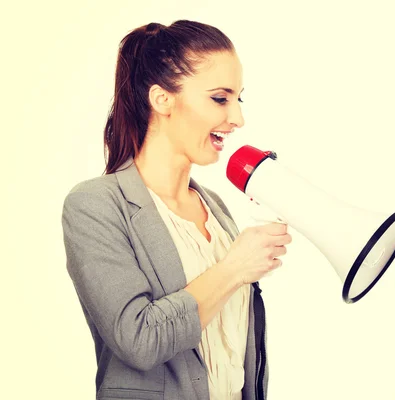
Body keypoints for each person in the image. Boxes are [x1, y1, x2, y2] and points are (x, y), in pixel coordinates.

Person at [61, 20, 292, 400]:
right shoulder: (95, 206)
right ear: (162, 99)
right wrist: (234, 268)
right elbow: (139, 340)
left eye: (239, 99)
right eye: (220, 99)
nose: (237, 119)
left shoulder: (214, 208)